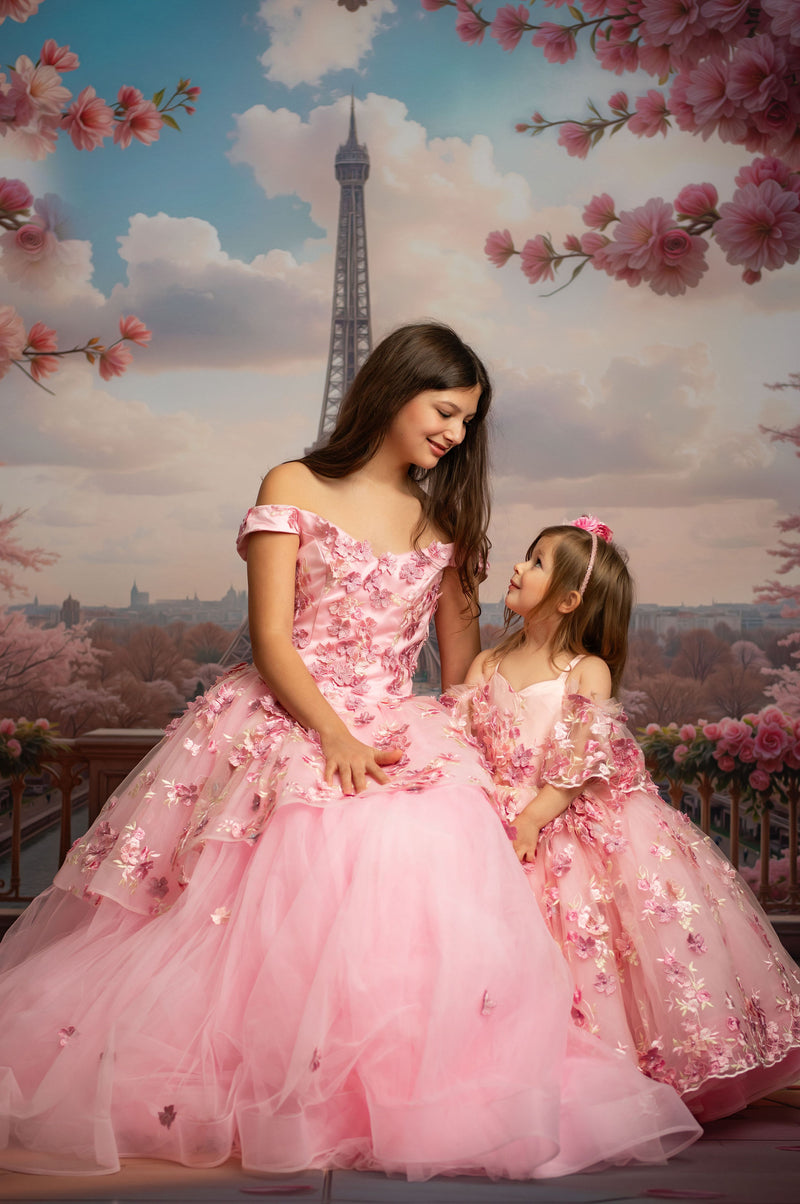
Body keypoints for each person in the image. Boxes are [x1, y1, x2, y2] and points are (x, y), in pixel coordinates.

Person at [0, 328, 700, 1181]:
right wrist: (334, 734)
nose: (454, 434)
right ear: (396, 390)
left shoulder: (443, 517)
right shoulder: (292, 484)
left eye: (467, 423)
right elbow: (269, 638)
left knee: (416, 867)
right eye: (445, 410)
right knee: (262, 887)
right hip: (289, 713)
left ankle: (392, 1087)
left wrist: (504, 759)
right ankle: (256, 1083)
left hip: (401, 723)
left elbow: (461, 672)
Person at [449, 514, 800, 1123]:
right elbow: (465, 742)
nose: (516, 567)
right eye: (524, 556)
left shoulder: (585, 670)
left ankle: (604, 1073)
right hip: (496, 815)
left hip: (560, 818)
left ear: (568, 598)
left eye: (535, 562)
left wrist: (533, 814)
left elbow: (579, 759)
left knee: (591, 947)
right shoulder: (488, 663)